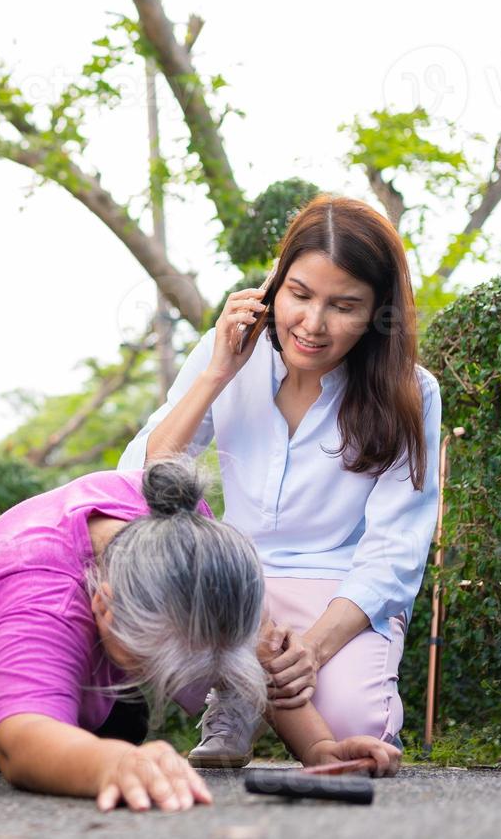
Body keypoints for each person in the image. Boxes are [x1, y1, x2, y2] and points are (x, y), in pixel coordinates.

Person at [0, 456, 401, 812]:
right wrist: (110, 766)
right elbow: (19, 746)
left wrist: (319, 749)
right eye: (155, 658)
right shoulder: (38, 598)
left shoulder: (173, 520)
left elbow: (251, 641)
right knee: (113, 735)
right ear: (101, 604)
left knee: (114, 720)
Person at [118, 194, 442, 767]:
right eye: (299, 295)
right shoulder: (225, 355)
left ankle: (252, 679)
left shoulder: (410, 392)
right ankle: (238, 687)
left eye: (344, 306)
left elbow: (396, 549)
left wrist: (311, 651)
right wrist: (219, 372)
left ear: (377, 313)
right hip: (234, 582)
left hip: (335, 587)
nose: (312, 325)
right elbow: (142, 481)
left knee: (360, 726)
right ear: (274, 283)